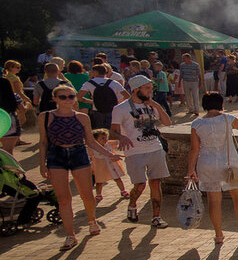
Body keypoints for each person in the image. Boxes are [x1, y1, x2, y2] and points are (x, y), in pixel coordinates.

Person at [38, 85, 121, 250]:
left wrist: (109, 154)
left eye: (71, 96)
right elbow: (43, 142)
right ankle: (70, 235)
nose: (67, 100)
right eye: (63, 97)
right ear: (55, 99)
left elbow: (90, 141)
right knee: (64, 198)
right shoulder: (45, 116)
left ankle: (92, 220)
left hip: (78, 153)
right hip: (56, 155)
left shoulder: (82, 117)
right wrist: (42, 163)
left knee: (87, 195)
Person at [186, 91, 238, 243]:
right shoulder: (227, 119)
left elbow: (194, 149)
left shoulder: (197, 124)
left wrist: (191, 169)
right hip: (229, 163)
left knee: (214, 201)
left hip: (207, 163)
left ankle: (218, 235)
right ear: (220, 104)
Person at [111, 74, 172, 227]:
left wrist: (156, 105)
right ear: (136, 89)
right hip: (134, 151)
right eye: (147, 89)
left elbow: (167, 122)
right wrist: (121, 138)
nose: (150, 92)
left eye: (151, 88)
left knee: (155, 183)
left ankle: (156, 217)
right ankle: (132, 204)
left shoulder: (151, 105)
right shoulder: (121, 108)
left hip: (155, 148)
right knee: (139, 184)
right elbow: (112, 131)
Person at [79, 64, 127, 130]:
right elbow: (127, 96)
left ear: (95, 72)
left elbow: (79, 97)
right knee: (113, 132)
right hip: (112, 109)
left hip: (97, 110)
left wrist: (92, 102)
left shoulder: (89, 83)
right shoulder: (114, 82)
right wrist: (117, 102)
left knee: (99, 131)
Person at [2, 60, 32, 154]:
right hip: (14, 101)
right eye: (17, 67)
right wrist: (27, 100)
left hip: (5, 102)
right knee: (20, 120)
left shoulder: (6, 77)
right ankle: (17, 139)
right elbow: (19, 92)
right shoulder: (14, 78)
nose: (19, 69)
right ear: (11, 67)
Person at [90, 128, 128, 201]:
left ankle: (123, 191)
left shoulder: (108, 144)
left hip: (112, 166)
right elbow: (90, 157)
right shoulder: (93, 148)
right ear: (95, 140)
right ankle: (98, 195)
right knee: (99, 182)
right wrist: (92, 168)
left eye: (106, 138)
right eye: (102, 138)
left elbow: (117, 143)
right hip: (101, 167)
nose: (105, 140)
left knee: (117, 179)